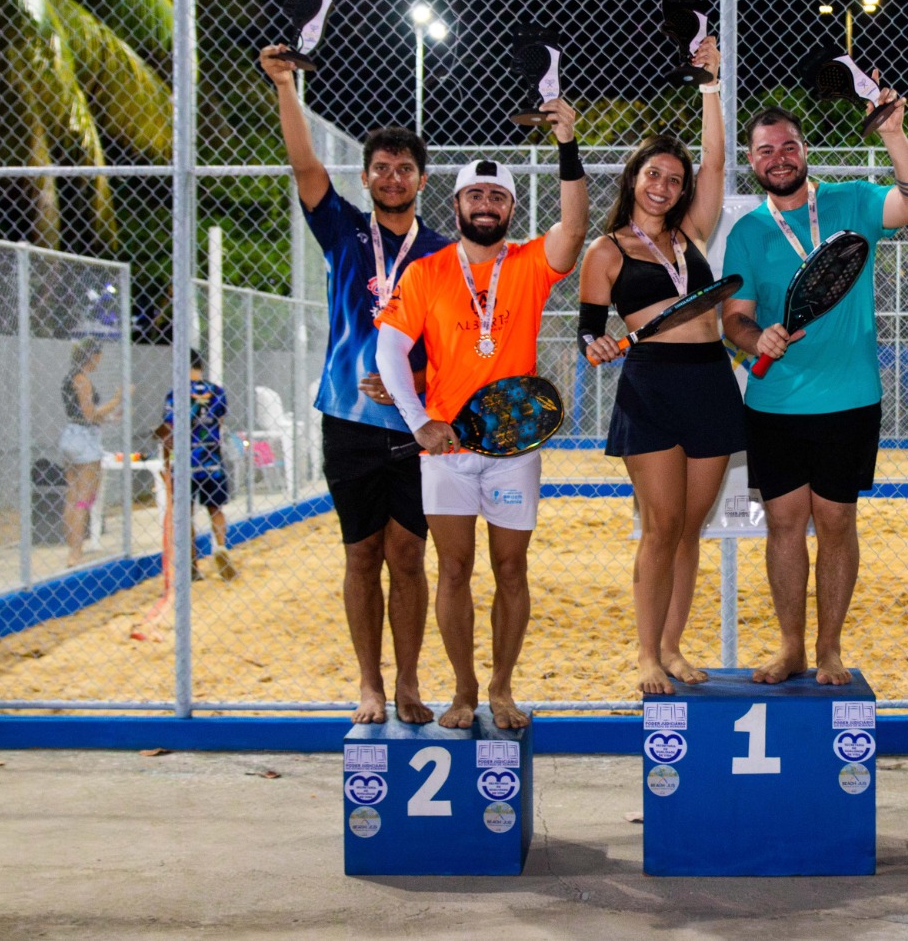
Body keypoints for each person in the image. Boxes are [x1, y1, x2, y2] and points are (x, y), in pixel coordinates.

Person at [375, 101, 589, 730]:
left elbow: (574, 230)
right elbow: (389, 349)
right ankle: (464, 691)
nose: (486, 204)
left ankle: (500, 688)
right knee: (455, 569)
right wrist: (418, 421)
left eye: (498, 195)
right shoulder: (426, 273)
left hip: (512, 446)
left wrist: (567, 144)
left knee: (511, 568)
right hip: (445, 448)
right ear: (459, 206)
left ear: (512, 209)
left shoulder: (528, 264)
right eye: (476, 195)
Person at [261, 45, 452, 725]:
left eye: (405, 168)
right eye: (382, 168)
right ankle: (368, 685)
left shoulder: (442, 254)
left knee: (407, 553)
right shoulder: (342, 230)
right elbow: (305, 165)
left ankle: (407, 682)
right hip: (345, 417)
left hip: (416, 425)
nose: (393, 177)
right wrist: (287, 86)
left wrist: (412, 383)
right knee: (361, 552)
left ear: (422, 180)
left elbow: (452, 344)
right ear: (367, 178)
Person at [720, 88, 908, 685]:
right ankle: (790, 647)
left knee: (837, 524)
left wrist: (895, 134)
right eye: (766, 150)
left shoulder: (852, 200)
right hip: (774, 404)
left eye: (789, 145)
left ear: (805, 150)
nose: (779, 157)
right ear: (752, 161)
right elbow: (733, 316)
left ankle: (828, 650)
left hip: (850, 399)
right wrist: (752, 336)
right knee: (785, 525)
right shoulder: (748, 233)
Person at [578, 39, 739, 695]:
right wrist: (600, 345)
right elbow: (590, 333)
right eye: (655, 175)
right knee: (660, 525)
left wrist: (710, 87)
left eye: (675, 178)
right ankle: (646, 654)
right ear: (633, 179)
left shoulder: (691, 234)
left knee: (691, 528)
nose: (666, 185)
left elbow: (718, 163)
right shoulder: (606, 249)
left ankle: (672, 647)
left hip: (710, 379)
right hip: (650, 386)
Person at [159, 352, 235, 581]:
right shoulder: (216, 392)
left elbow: (167, 432)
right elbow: (219, 423)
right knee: (216, 508)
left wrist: (165, 464)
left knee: (185, 515)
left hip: (185, 464)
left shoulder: (175, 395)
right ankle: (220, 546)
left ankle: (192, 566)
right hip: (211, 460)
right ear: (200, 366)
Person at [59, 338, 127, 566]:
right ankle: (75, 552)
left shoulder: (69, 378)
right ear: (91, 356)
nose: (100, 361)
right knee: (83, 500)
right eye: (98, 356)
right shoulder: (81, 379)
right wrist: (116, 400)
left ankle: (72, 547)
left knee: (72, 496)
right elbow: (89, 414)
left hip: (71, 436)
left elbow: (84, 416)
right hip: (85, 441)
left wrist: (109, 416)